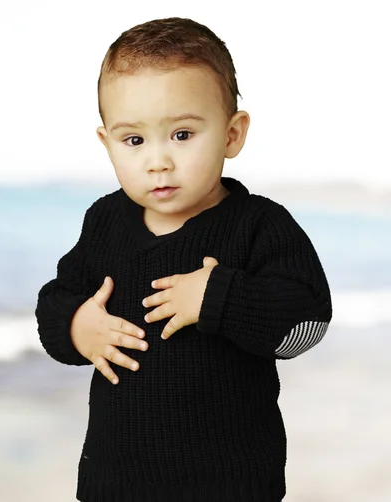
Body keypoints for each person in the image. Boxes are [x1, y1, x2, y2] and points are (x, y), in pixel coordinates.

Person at [35, 16, 332, 502]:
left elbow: (306, 323)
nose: (158, 161)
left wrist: (221, 297)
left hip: (231, 484)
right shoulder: (105, 222)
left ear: (232, 134)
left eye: (182, 135)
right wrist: (75, 327)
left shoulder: (257, 225)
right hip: (115, 483)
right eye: (134, 140)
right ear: (107, 143)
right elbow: (55, 301)